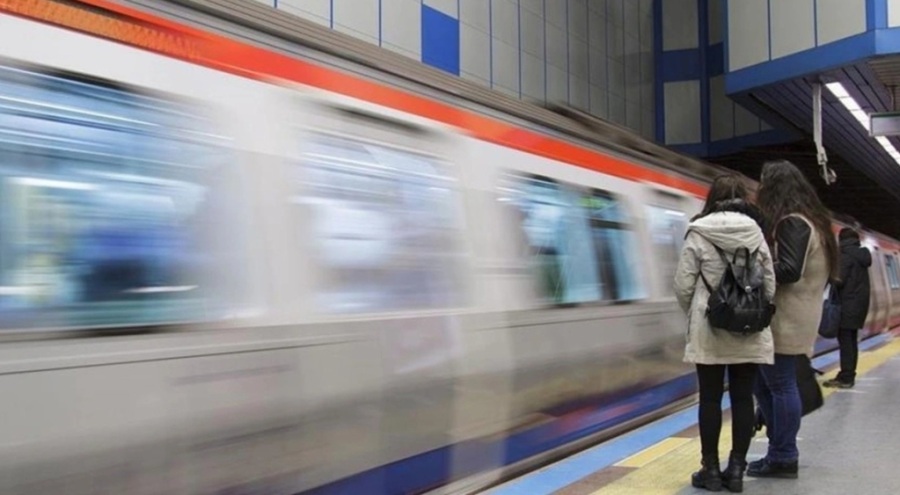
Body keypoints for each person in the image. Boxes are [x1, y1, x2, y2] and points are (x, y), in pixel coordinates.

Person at [674, 174, 775, 492]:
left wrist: (699, 312)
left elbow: (683, 285)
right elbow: (770, 286)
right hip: (748, 329)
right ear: (744, 199)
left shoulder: (698, 231)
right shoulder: (756, 233)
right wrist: (750, 309)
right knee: (743, 397)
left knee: (710, 398)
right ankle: (736, 471)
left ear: (712, 199)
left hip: (709, 328)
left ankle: (711, 471)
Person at [749, 160, 839, 479]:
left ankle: (784, 455)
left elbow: (788, 270)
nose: (759, 189)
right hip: (796, 315)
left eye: (763, 183)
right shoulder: (813, 222)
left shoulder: (793, 223)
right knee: (765, 384)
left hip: (786, 318)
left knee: (780, 385)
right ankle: (779, 450)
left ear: (775, 188)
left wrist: (751, 271)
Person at [823, 227, 871, 388]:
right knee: (851, 341)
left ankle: (846, 377)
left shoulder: (845, 256)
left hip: (846, 306)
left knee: (845, 343)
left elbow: (838, 279)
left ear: (841, 240)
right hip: (858, 306)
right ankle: (848, 374)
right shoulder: (861, 255)